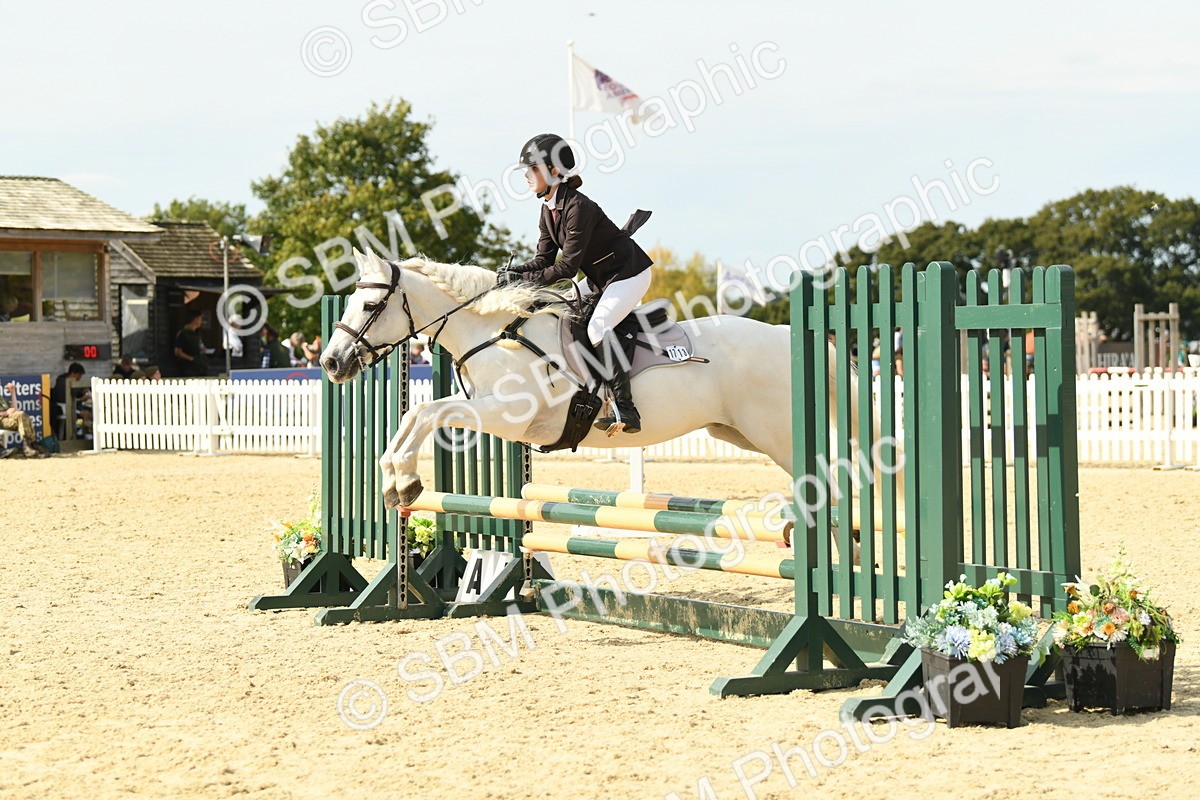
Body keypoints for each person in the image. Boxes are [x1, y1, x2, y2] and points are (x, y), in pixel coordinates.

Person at [497, 133, 654, 434]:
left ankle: (626, 408)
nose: (527, 176)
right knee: (566, 315)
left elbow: (567, 268)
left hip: (628, 273)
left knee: (598, 327)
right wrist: (510, 273)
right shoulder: (548, 209)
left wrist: (521, 279)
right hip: (599, 278)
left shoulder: (578, 207)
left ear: (554, 171)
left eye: (533, 169)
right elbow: (543, 260)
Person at [0, 381, 46, 458]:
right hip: (1, 421)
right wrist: (5, 413)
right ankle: (28, 446)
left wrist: (12, 392)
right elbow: (8, 412)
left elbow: (15, 409)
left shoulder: (1, 399)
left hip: (6, 419)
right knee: (20, 414)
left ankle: (30, 445)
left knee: (24, 417)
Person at [50, 362, 85, 435]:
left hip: (67, 408)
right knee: (87, 413)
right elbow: (68, 402)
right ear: (73, 373)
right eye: (79, 375)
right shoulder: (63, 384)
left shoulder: (62, 380)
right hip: (64, 409)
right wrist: (81, 399)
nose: (79, 378)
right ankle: (80, 433)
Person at [174, 308, 209, 377]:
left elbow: (200, 345)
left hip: (200, 365)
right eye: (200, 319)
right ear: (196, 319)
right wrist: (191, 359)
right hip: (188, 367)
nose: (201, 322)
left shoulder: (197, 333)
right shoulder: (183, 334)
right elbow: (177, 352)